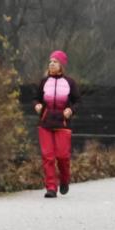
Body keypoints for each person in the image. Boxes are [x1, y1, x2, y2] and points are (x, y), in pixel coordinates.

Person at [33, 51, 81, 198]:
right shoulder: (44, 82)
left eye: (55, 61)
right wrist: (37, 106)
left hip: (63, 123)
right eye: (50, 61)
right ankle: (51, 188)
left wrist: (70, 110)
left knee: (62, 156)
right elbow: (36, 99)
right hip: (45, 123)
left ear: (61, 65)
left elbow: (78, 101)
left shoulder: (70, 82)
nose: (51, 64)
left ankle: (65, 180)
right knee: (48, 157)